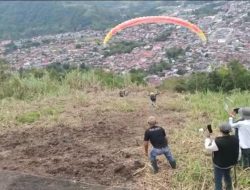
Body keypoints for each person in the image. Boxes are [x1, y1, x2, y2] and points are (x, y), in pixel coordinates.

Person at [204, 123, 239, 190]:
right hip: (231, 163)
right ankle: (229, 188)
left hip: (220, 165)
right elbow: (238, 150)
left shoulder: (218, 141)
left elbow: (208, 148)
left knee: (218, 180)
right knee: (227, 176)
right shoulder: (235, 138)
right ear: (230, 130)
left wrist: (207, 138)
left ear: (220, 130)